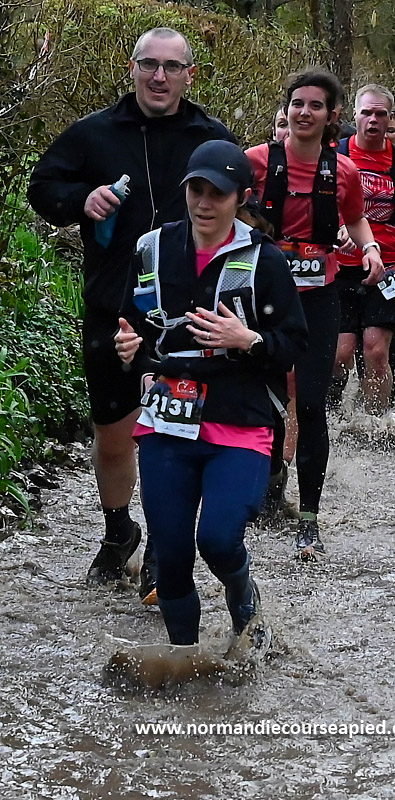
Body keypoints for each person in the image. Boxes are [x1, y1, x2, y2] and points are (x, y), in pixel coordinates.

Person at [27, 28, 236, 600]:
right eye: (149, 65)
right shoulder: (94, 132)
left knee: (175, 431)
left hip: (188, 311)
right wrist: (82, 200)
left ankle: (166, 544)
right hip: (112, 303)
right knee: (114, 432)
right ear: (132, 68)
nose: (159, 77)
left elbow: (243, 206)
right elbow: (42, 186)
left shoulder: (210, 137)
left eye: (172, 67)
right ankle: (119, 531)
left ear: (190, 75)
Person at [115, 140, 307, 646]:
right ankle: (185, 661)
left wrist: (249, 340)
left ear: (240, 197)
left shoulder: (264, 259)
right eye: (195, 190)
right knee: (172, 556)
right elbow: (134, 327)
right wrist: (128, 347)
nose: (203, 203)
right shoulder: (152, 248)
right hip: (167, 421)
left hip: (240, 418)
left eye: (217, 193)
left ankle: (244, 597)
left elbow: (294, 343)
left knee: (218, 540)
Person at [246, 69, 384, 559]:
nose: (304, 113)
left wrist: (369, 248)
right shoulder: (255, 162)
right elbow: (220, 210)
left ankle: (309, 520)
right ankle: (270, 484)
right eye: (297, 104)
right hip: (263, 297)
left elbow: (355, 218)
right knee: (264, 402)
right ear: (286, 111)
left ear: (332, 116)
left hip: (319, 298)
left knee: (309, 405)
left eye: (315, 106)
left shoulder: (342, 171)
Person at [333, 84, 395, 416]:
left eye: (380, 114)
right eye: (366, 113)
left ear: (390, 118)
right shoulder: (335, 155)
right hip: (340, 266)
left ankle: (377, 423)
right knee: (340, 354)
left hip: (390, 267)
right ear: (355, 115)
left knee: (375, 349)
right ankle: (331, 418)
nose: (373, 120)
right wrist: (335, 230)